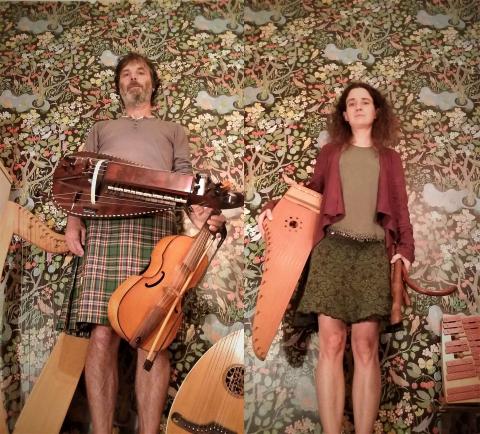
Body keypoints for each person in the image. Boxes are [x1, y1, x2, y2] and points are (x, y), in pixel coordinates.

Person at [63, 52, 225, 434]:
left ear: (152, 84)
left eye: (140, 72)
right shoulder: (101, 128)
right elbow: (81, 178)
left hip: (157, 230)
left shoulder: (173, 130)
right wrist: (73, 221)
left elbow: (185, 181)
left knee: (153, 336)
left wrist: (201, 215)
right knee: (102, 333)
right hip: (105, 226)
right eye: (126, 74)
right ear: (119, 86)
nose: (133, 78)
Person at [257, 82, 414, 434]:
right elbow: (311, 192)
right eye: (351, 103)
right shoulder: (330, 153)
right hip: (332, 251)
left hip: (373, 254)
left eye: (365, 102)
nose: (358, 107)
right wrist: (275, 206)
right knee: (331, 342)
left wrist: (405, 250)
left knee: (365, 346)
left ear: (376, 111)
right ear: (344, 114)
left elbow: (400, 208)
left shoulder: (390, 158)